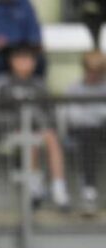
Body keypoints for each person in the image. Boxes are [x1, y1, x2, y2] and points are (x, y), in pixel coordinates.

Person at [0, 43, 70, 210]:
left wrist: (42, 126)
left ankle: (58, 188)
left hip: (38, 131)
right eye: (21, 59)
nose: (26, 63)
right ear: (12, 61)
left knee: (50, 137)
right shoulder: (1, 84)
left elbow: (50, 114)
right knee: (30, 138)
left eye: (30, 59)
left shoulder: (40, 85)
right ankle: (35, 188)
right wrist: (12, 126)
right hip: (9, 133)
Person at [62, 50, 106, 214]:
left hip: (102, 131)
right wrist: (98, 114)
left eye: (98, 72)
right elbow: (73, 117)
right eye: (91, 71)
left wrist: (90, 114)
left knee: (91, 132)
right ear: (84, 69)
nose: (94, 75)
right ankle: (89, 191)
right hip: (81, 133)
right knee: (88, 136)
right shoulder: (73, 89)